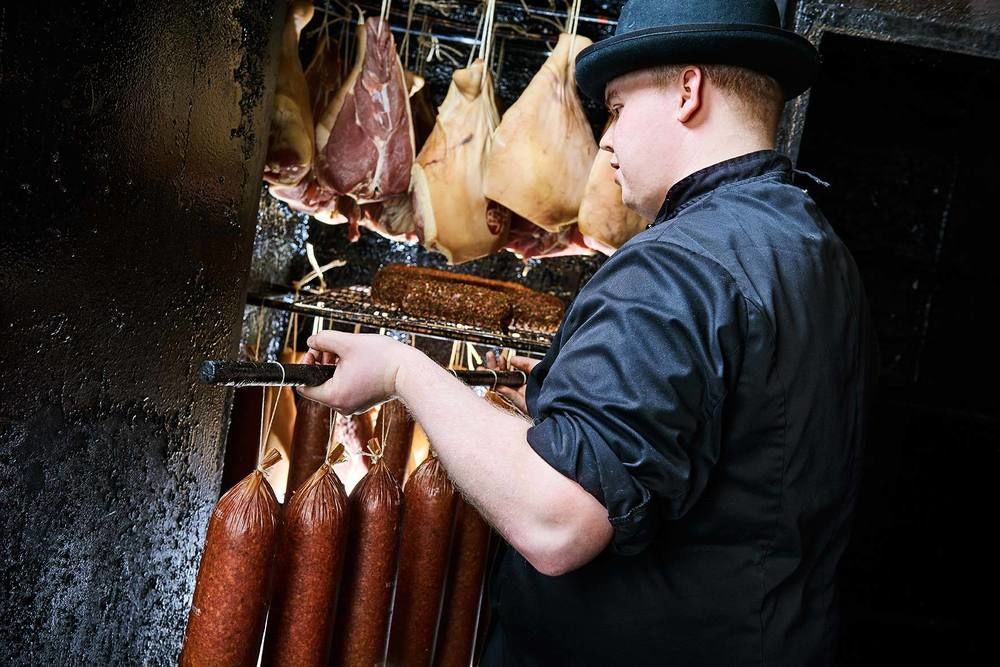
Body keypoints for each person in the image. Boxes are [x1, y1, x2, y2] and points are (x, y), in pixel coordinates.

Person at [298, 0, 877, 664]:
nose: (606, 139)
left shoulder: (676, 264)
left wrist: (402, 369)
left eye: (619, 108)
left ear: (688, 91)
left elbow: (556, 518)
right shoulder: (819, 253)